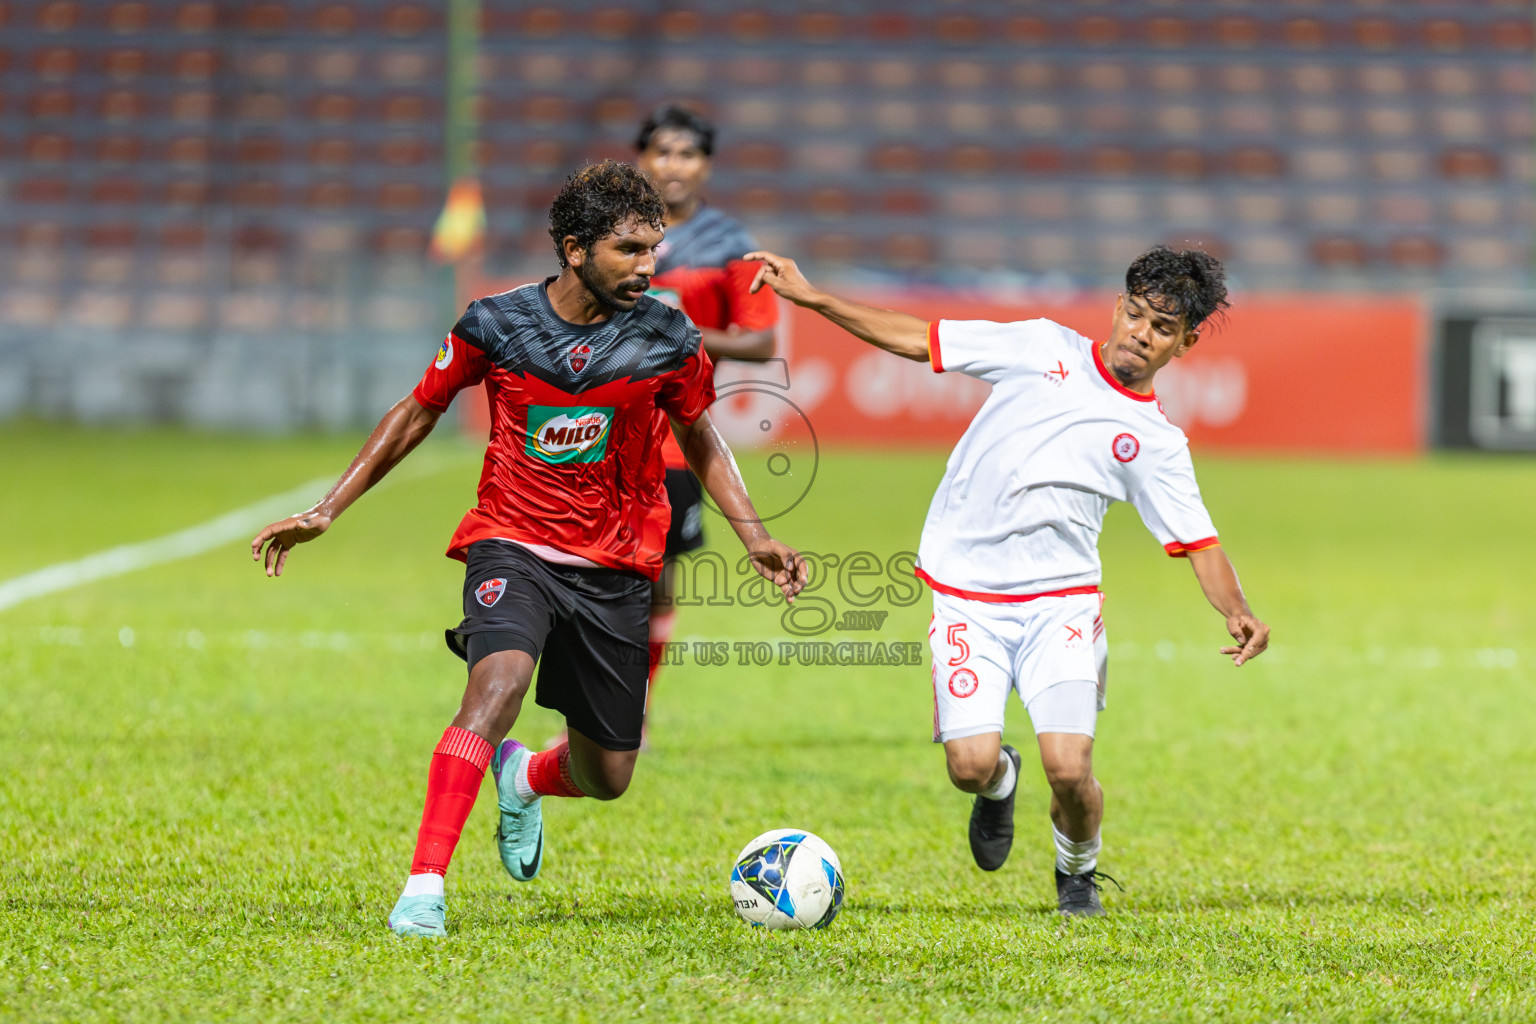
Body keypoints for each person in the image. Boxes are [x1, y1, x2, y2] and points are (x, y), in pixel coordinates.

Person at [250, 162, 806, 938]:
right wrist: (327, 509)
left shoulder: (669, 338)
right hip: (513, 546)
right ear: (574, 249)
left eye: (655, 248)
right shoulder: (496, 323)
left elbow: (700, 436)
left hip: (614, 567)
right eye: (630, 250)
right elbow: (416, 412)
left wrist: (756, 536)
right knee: (496, 688)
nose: (650, 266)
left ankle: (526, 775)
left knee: (608, 775)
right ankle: (423, 889)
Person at [746, 245, 1270, 916]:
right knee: (970, 765)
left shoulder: (1156, 440)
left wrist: (1238, 609)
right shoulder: (1038, 347)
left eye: (1162, 328)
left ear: (1185, 343)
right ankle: (1000, 785)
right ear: (1117, 308)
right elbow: (917, 339)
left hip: (1063, 605)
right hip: (968, 597)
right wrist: (814, 296)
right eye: (1135, 314)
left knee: (1071, 770)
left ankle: (1076, 875)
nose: (1140, 333)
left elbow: (1199, 541)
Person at [632, 105, 779, 730]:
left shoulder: (730, 245)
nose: (674, 165)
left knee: (656, 582)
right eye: (663, 152)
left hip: (674, 440)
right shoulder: (614, 230)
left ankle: (629, 710)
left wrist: (680, 331)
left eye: (687, 154)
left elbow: (760, 341)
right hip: (597, 424)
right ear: (642, 159)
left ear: (706, 165)